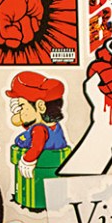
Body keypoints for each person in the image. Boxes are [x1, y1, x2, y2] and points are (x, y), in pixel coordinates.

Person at [7, 72, 70, 211]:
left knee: (34, 194)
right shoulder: (52, 127)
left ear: (40, 106)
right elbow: (30, 128)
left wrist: (27, 160)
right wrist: (22, 114)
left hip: (36, 178)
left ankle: (33, 203)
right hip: (54, 174)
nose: (19, 112)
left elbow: (37, 147)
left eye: (22, 106)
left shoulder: (40, 130)